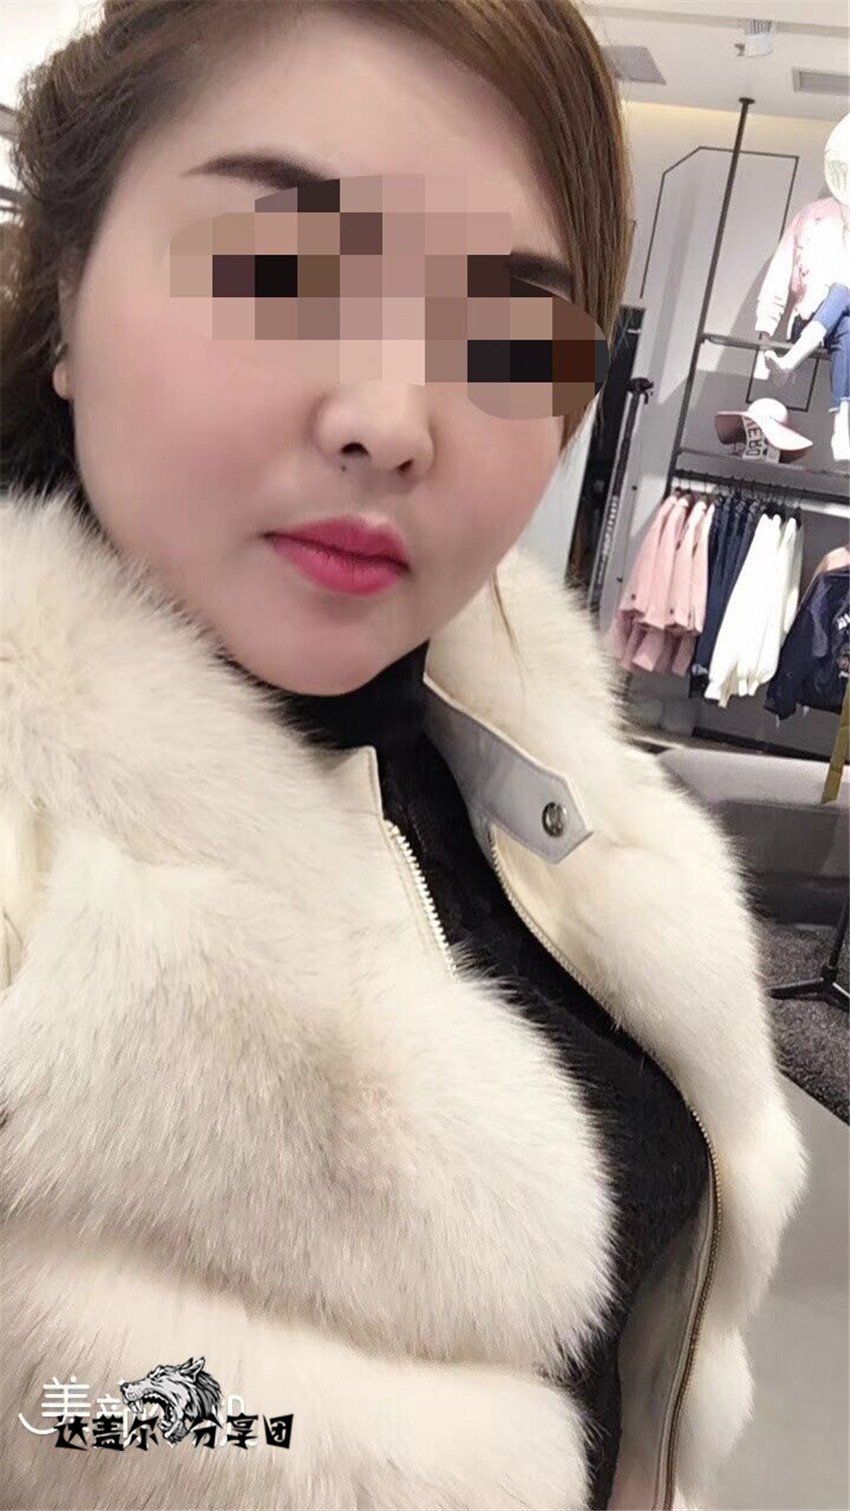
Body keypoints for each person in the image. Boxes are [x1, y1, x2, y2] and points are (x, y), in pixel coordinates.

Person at [0, 3, 808, 1509]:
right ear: (62, 297)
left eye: (504, 328)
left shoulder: (552, 779)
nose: (389, 422)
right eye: (277, 272)